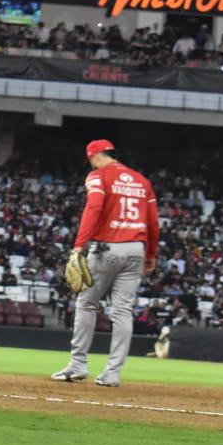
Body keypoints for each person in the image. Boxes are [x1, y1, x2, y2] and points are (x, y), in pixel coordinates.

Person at [51, 139, 159, 388]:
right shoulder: (142, 181)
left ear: (96, 155)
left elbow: (94, 207)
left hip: (106, 248)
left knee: (87, 304)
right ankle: (112, 374)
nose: (91, 163)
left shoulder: (98, 176)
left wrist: (79, 246)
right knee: (122, 311)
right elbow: (153, 223)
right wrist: (151, 254)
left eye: (91, 159)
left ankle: (77, 365)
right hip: (136, 249)